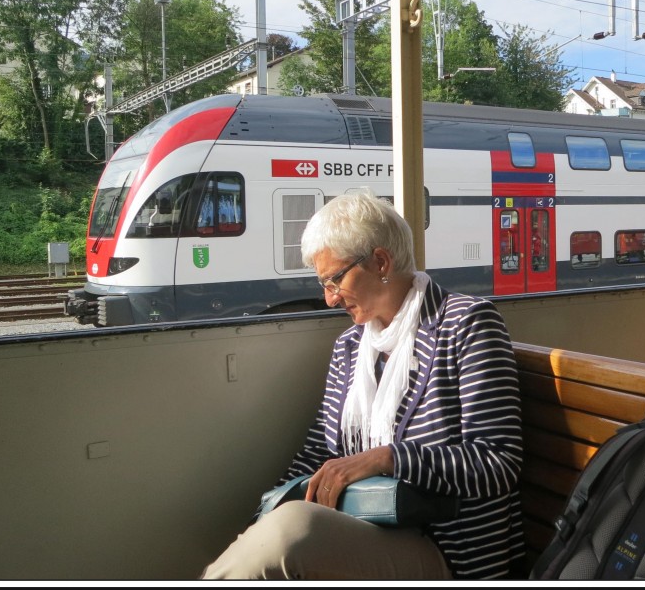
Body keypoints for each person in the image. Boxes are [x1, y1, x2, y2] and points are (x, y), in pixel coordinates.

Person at [201, 189, 524, 580]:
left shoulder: (465, 324)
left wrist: (386, 457)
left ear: (381, 262)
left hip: (448, 549)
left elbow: (497, 462)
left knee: (292, 534)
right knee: (277, 527)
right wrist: (265, 512)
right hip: (370, 528)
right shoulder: (351, 347)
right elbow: (320, 451)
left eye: (334, 280)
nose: (328, 299)